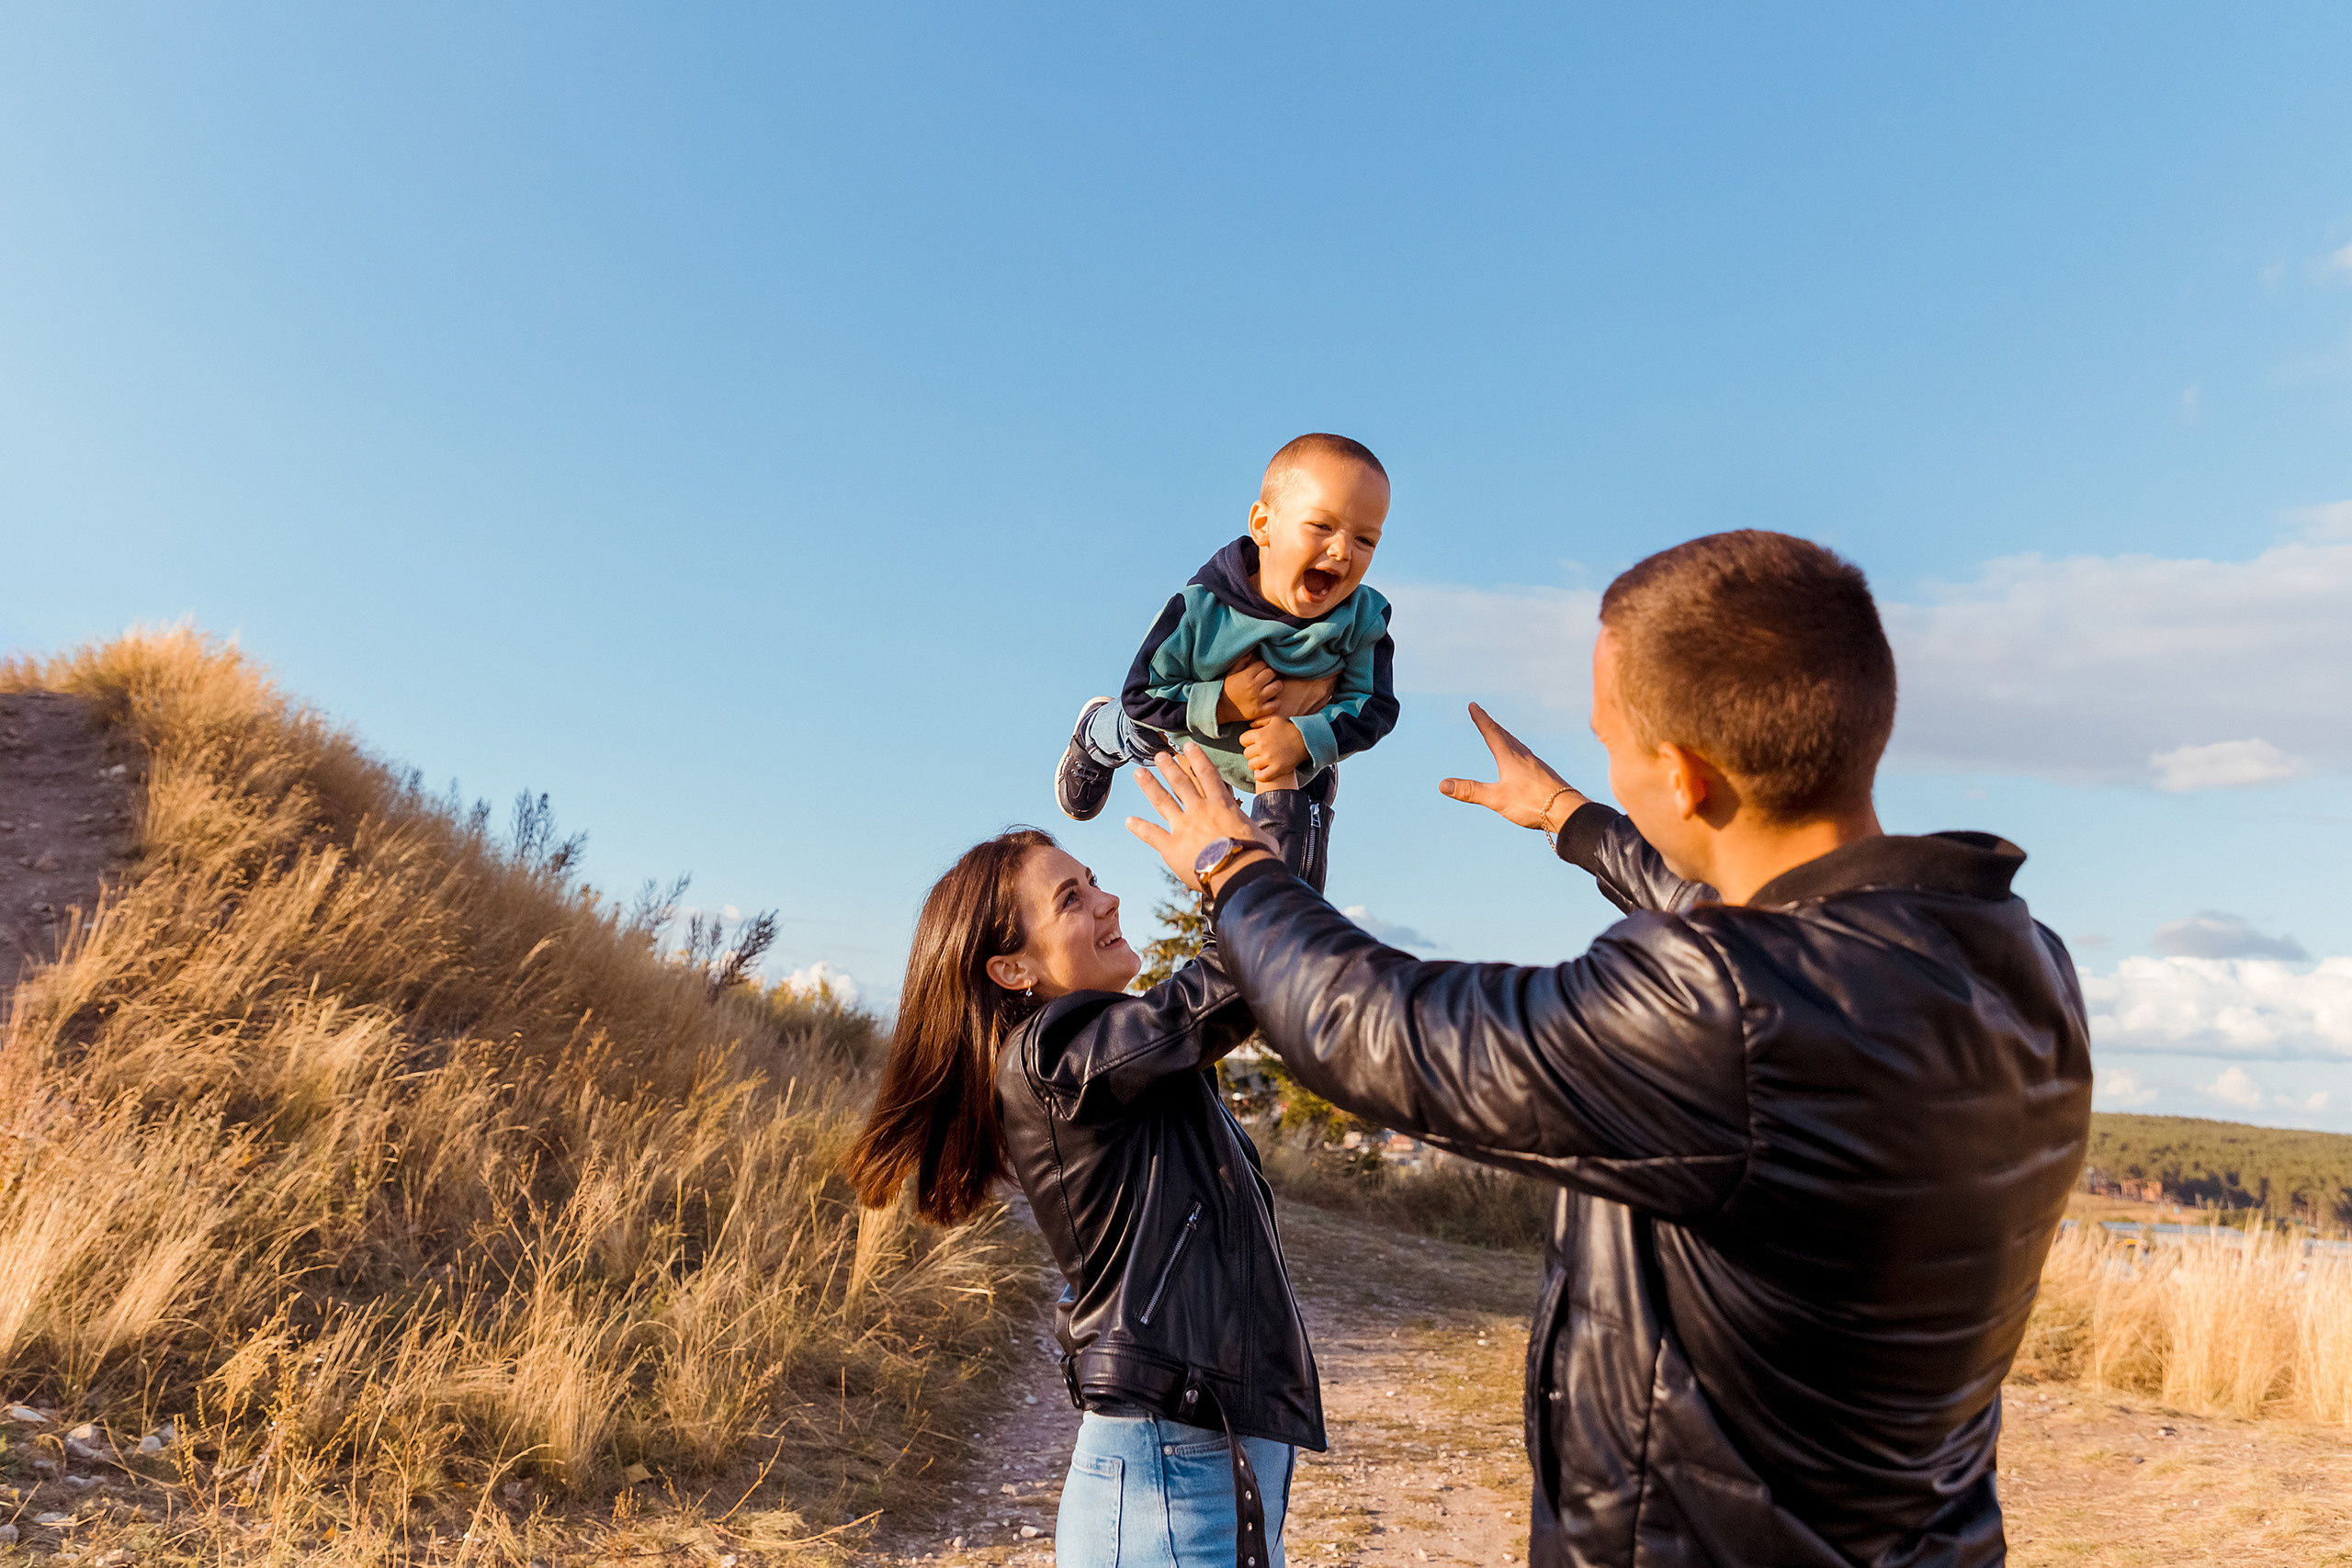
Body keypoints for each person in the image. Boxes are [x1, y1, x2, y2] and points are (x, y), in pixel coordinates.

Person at [1125, 530, 2093, 1568]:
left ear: (1682, 775)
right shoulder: (2016, 962)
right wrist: (1570, 818)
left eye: (1611, 744)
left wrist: (1237, 866)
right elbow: (1754, 931)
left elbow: (1374, 1027)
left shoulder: (1725, 1010)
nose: (1612, 769)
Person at [842, 780, 1335, 1568]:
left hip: (1202, 1464)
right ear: (1012, 969)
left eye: (1093, 880)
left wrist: (1300, 782)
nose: (1108, 901)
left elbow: (1277, 956)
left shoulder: (1111, 1062)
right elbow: (1232, 983)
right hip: (1170, 1480)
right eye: (1071, 899)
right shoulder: (1053, 1056)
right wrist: (1247, 834)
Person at [1054, 433, 1398, 822]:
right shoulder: (1200, 609)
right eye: (1321, 526)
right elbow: (1141, 694)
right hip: (1186, 734)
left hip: (1283, 752)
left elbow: (1376, 706)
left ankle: (1312, 773)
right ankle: (1094, 738)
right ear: (1263, 525)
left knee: (1298, 820)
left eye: (1365, 540)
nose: (1342, 551)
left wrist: (1306, 739)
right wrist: (1224, 702)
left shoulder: (1363, 619)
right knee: (1138, 728)